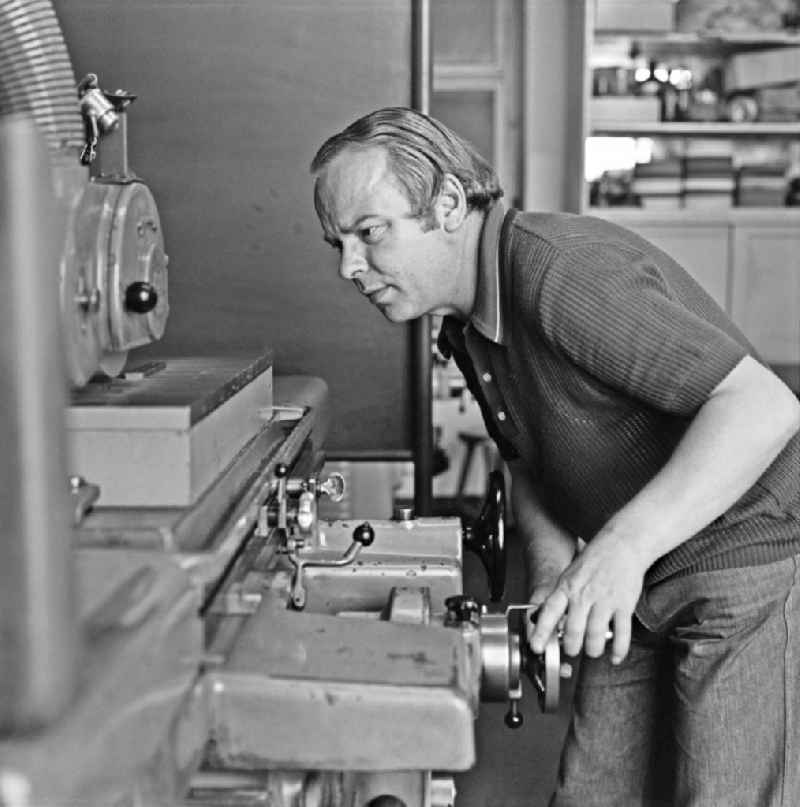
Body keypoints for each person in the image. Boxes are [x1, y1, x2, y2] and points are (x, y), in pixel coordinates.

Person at [310, 106, 800, 806]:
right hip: (636, 571)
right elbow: (526, 461)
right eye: (337, 243)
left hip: (742, 555)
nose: (350, 267)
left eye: (368, 233)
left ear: (448, 203)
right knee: (591, 793)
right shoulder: (463, 325)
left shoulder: (559, 272)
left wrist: (620, 549)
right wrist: (552, 574)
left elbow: (764, 406)